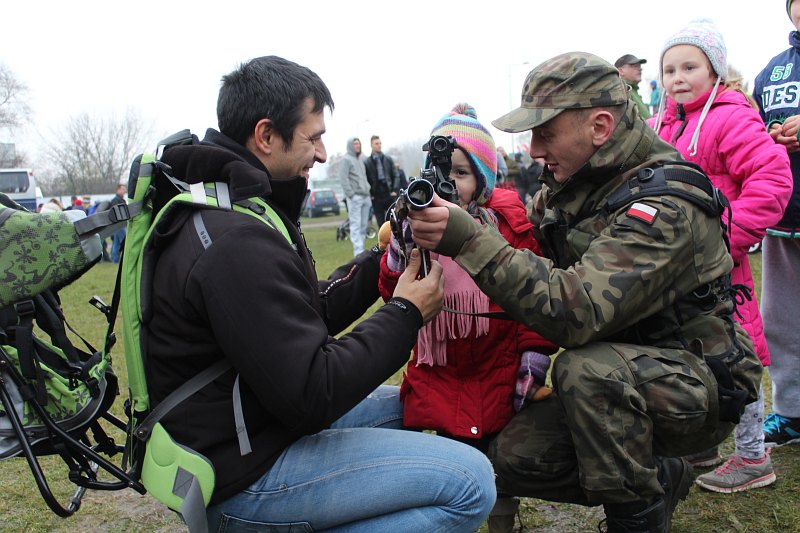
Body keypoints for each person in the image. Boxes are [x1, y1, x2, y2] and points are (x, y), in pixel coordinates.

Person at [407, 52, 762, 532]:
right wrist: (467, 214)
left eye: (545, 133)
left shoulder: (663, 205)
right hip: (625, 371)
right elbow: (522, 236)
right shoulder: (576, 185)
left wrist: (469, 238)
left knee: (586, 370)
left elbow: (576, 312)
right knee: (509, 456)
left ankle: (636, 519)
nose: (533, 149)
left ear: (599, 126)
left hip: (698, 378)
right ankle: (657, 475)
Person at [145, 55, 496, 531]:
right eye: (313, 137)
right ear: (266, 136)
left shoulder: (235, 210)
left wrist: (382, 255)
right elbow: (314, 391)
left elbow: (301, 314)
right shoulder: (232, 241)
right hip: (242, 474)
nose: (324, 153)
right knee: (471, 484)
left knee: (417, 402)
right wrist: (406, 312)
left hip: (258, 428)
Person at [378, 103, 557, 532]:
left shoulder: (508, 227)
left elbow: (532, 297)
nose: (450, 182)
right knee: (451, 461)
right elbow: (392, 297)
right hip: (441, 369)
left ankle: (502, 520)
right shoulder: (418, 228)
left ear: (483, 178)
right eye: (440, 172)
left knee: (500, 462)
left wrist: (534, 355)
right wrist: (399, 253)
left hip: (497, 364)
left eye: (461, 172)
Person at [650, 19, 792, 493]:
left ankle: (753, 456)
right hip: (675, 270)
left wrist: (725, 238)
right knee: (688, 355)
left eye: (690, 66)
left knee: (737, 356)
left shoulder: (732, 117)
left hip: (720, 271)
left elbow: (772, 179)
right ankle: (701, 441)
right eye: (669, 69)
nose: (678, 77)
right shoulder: (660, 124)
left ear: (714, 69)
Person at [753, 0, 800, 450]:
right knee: (781, 322)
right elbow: (753, 127)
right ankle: (792, 412)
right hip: (786, 216)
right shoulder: (773, 71)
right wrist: (771, 133)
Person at [338, 137, 372, 255]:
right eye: (355, 144)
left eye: (359, 144)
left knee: (363, 225)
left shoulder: (360, 160)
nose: (358, 146)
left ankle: (361, 250)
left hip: (365, 196)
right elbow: (343, 178)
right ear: (350, 146)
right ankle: (358, 253)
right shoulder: (346, 160)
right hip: (355, 197)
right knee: (355, 225)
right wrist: (351, 195)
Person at [363, 135, 397, 225]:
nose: (379, 145)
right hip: (376, 195)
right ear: (371, 145)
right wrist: (370, 194)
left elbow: (395, 175)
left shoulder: (388, 159)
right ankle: (383, 238)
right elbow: (365, 179)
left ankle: (394, 239)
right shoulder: (367, 162)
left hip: (388, 192)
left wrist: (394, 190)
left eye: (380, 143)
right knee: (380, 222)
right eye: (376, 143)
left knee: (393, 220)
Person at [615, 53, 652, 118]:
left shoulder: (632, 91)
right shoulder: (621, 91)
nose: (640, 69)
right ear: (621, 71)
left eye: (640, 67)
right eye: (635, 66)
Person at [109, 183, 128, 263]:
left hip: (119, 224)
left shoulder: (118, 199)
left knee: (116, 243)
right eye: (123, 189)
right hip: (119, 224)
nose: (124, 191)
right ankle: (118, 259)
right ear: (118, 189)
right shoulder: (116, 200)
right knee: (123, 241)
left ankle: (115, 258)